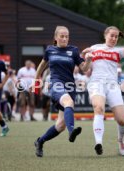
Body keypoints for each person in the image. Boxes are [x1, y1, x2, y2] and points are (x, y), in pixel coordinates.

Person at [33, 26, 93, 157]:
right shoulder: (50, 50)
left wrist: (88, 60)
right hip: (56, 84)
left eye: (67, 36)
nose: (64, 38)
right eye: (62, 36)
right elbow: (42, 65)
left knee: (60, 125)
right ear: (55, 37)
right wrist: (36, 78)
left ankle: (40, 141)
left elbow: (84, 69)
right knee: (68, 102)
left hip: (70, 87)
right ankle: (72, 131)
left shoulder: (74, 50)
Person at [82, 19, 124, 156]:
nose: (113, 38)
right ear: (105, 35)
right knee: (99, 108)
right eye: (111, 35)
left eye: (116, 36)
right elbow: (84, 69)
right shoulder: (94, 48)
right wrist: (87, 58)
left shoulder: (117, 52)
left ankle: (121, 140)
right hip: (96, 83)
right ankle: (98, 143)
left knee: (122, 120)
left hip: (112, 85)